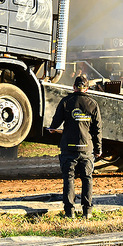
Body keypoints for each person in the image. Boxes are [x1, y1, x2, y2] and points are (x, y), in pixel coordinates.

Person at [48, 76, 102, 219]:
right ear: (87, 88)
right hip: (86, 148)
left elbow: (55, 123)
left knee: (69, 179)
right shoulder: (93, 104)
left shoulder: (66, 101)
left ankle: (69, 212)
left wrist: (52, 128)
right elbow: (97, 129)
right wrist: (98, 148)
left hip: (69, 148)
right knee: (87, 179)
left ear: (73, 87)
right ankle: (87, 212)